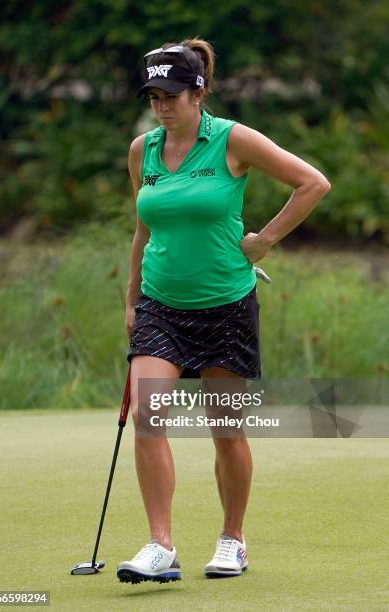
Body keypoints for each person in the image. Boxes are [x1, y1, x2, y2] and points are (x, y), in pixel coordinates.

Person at [117, 37, 331, 584]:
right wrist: (132, 296)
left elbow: (313, 184)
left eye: (171, 94)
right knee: (149, 417)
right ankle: (160, 545)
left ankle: (232, 539)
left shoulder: (233, 140)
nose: (162, 105)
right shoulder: (143, 150)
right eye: (153, 95)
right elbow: (144, 228)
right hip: (161, 304)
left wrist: (266, 240)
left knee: (225, 429)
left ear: (198, 91)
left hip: (227, 305)